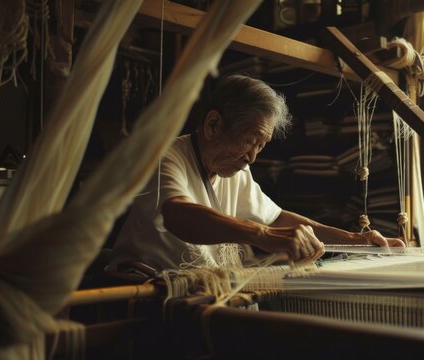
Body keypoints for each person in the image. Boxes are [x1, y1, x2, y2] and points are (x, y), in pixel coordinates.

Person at [109, 75, 404, 272]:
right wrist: (264, 236)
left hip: (197, 297)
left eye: (260, 146)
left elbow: (277, 217)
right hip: (143, 297)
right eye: (250, 141)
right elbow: (178, 214)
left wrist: (356, 239)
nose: (251, 157)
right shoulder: (164, 156)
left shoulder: (234, 172)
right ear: (213, 125)